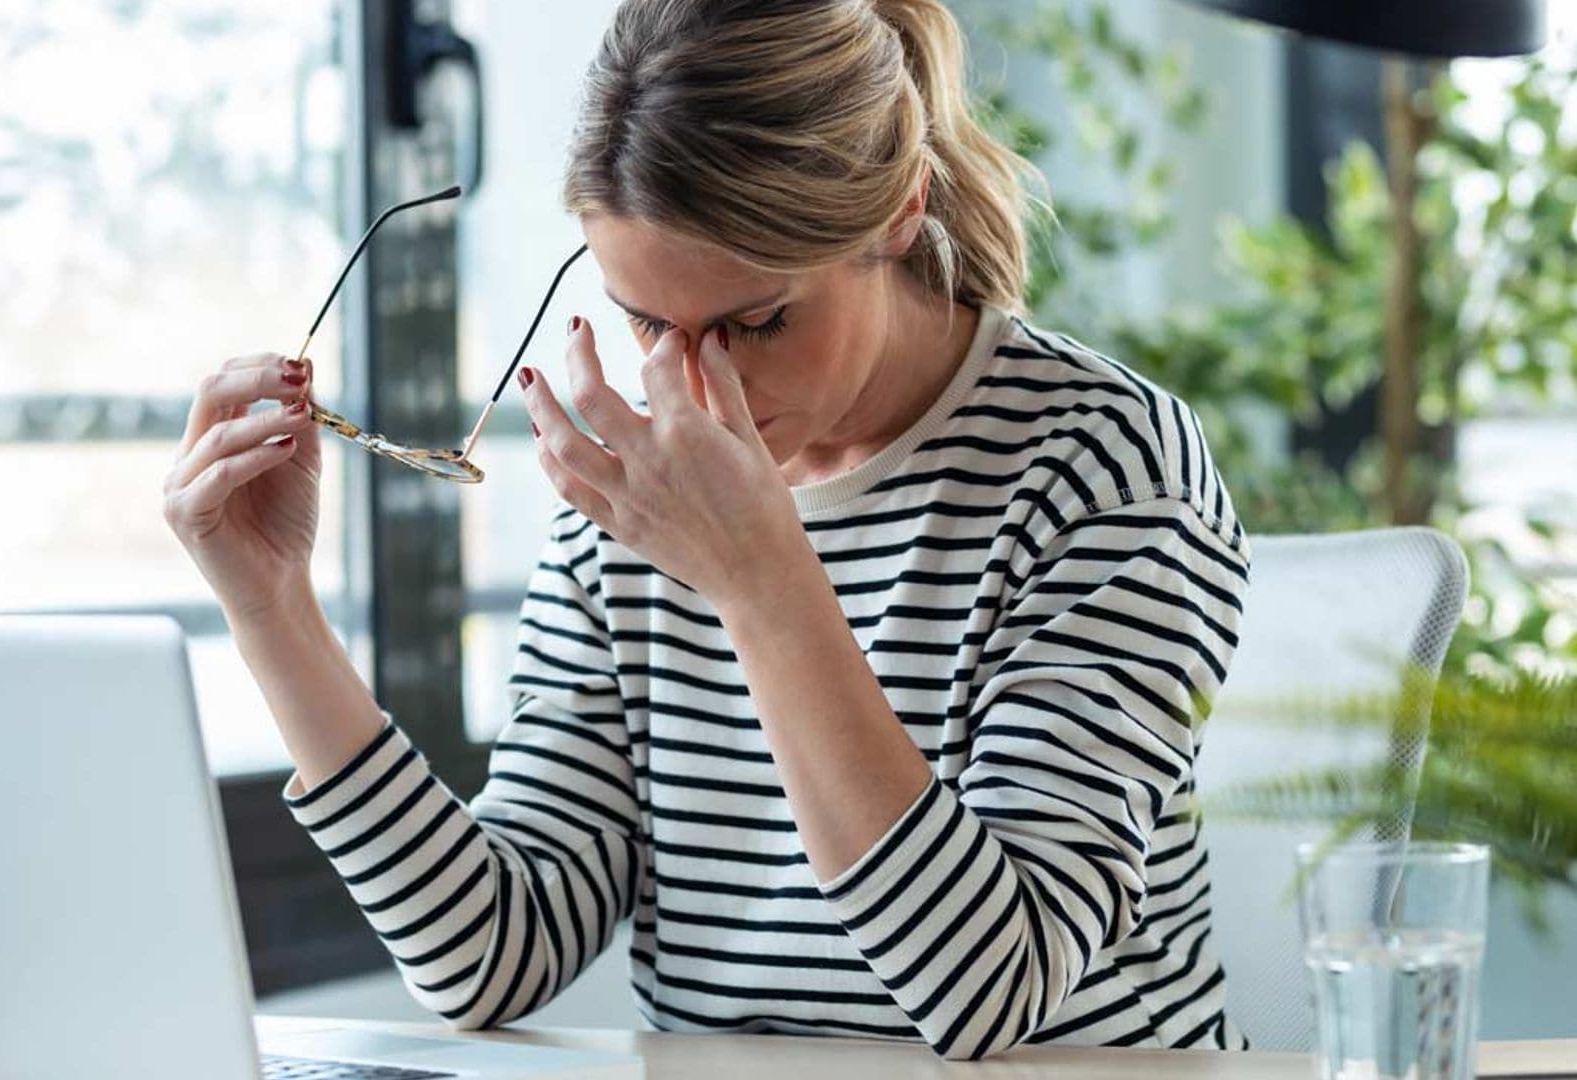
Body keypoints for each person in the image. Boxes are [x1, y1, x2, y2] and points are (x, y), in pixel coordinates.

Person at [163, 0, 1249, 1060]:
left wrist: (760, 582)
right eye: (647, 322)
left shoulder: (1105, 464)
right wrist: (273, 608)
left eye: (758, 322)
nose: (692, 384)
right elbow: (489, 954)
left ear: (902, 210)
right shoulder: (633, 504)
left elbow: (990, 990)